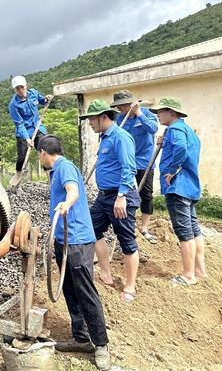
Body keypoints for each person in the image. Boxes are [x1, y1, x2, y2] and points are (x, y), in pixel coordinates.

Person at [38, 135, 110, 370]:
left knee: (85, 291)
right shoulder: (56, 171)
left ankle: (101, 344)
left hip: (77, 240)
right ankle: (81, 338)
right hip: (63, 240)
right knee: (69, 288)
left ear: (43, 153)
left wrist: (67, 204)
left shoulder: (65, 167)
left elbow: (73, 191)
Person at [79, 100, 141, 303]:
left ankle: (130, 287)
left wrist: (122, 197)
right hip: (104, 196)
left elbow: (128, 168)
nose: (89, 123)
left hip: (120, 196)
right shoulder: (105, 138)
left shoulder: (121, 137)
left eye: (91, 119)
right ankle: (106, 273)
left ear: (103, 117)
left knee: (127, 242)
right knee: (92, 229)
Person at [150, 97, 206, 285]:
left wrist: (173, 170)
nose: (157, 115)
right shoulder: (188, 131)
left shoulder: (175, 129)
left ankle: (188, 275)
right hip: (189, 186)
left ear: (171, 113)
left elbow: (181, 148)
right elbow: (184, 148)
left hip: (178, 187)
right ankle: (200, 271)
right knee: (193, 228)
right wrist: (164, 142)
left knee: (184, 232)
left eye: (160, 112)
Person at [111, 90, 159, 243]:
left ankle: (144, 227)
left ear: (130, 103)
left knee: (146, 195)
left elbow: (153, 128)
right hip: (126, 163)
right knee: (127, 194)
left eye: (122, 106)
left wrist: (138, 113)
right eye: (118, 107)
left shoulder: (146, 114)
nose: (120, 110)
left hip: (145, 162)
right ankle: (128, 225)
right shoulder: (120, 120)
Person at [8, 75, 53, 184]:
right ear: (14, 89)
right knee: (22, 155)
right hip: (24, 132)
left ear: (26, 86)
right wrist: (27, 138)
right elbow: (19, 124)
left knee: (44, 151)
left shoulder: (33, 93)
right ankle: (18, 173)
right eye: (17, 88)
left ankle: (51, 178)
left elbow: (42, 101)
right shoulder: (13, 105)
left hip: (37, 127)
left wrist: (46, 99)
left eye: (22, 87)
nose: (20, 90)